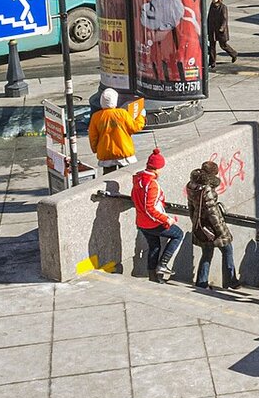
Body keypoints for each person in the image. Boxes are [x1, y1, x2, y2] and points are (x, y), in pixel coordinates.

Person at [132, 149, 184, 282]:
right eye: (161, 168)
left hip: (141, 222)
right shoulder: (152, 184)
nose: (161, 171)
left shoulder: (138, 179)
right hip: (152, 222)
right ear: (156, 168)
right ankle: (163, 264)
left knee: (154, 246)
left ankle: (153, 277)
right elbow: (150, 208)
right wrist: (166, 219)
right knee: (178, 234)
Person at [188, 160, 239, 289]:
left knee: (207, 253)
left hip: (201, 227)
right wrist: (221, 231)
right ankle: (230, 281)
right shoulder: (207, 189)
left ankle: (201, 282)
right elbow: (213, 213)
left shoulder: (191, 185)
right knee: (227, 249)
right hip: (212, 227)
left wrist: (195, 222)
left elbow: (191, 207)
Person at [88, 88, 146, 173]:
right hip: (123, 152)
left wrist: (95, 149)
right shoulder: (122, 113)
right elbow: (135, 127)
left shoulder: (96, 117)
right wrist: (141, 116)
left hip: (106, 154)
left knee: (108, 177)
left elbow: (93, 136)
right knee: (127, 175)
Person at [206, 0, 238, 70]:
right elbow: (209, 17)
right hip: (212, 29)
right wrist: (207, 26)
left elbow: (224, 19)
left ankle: (234, 54)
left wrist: (222, 28)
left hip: (220, 30)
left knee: (223, 45)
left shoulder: (223, 7)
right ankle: (212, 62)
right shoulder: (212, 6)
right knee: (212, 46)